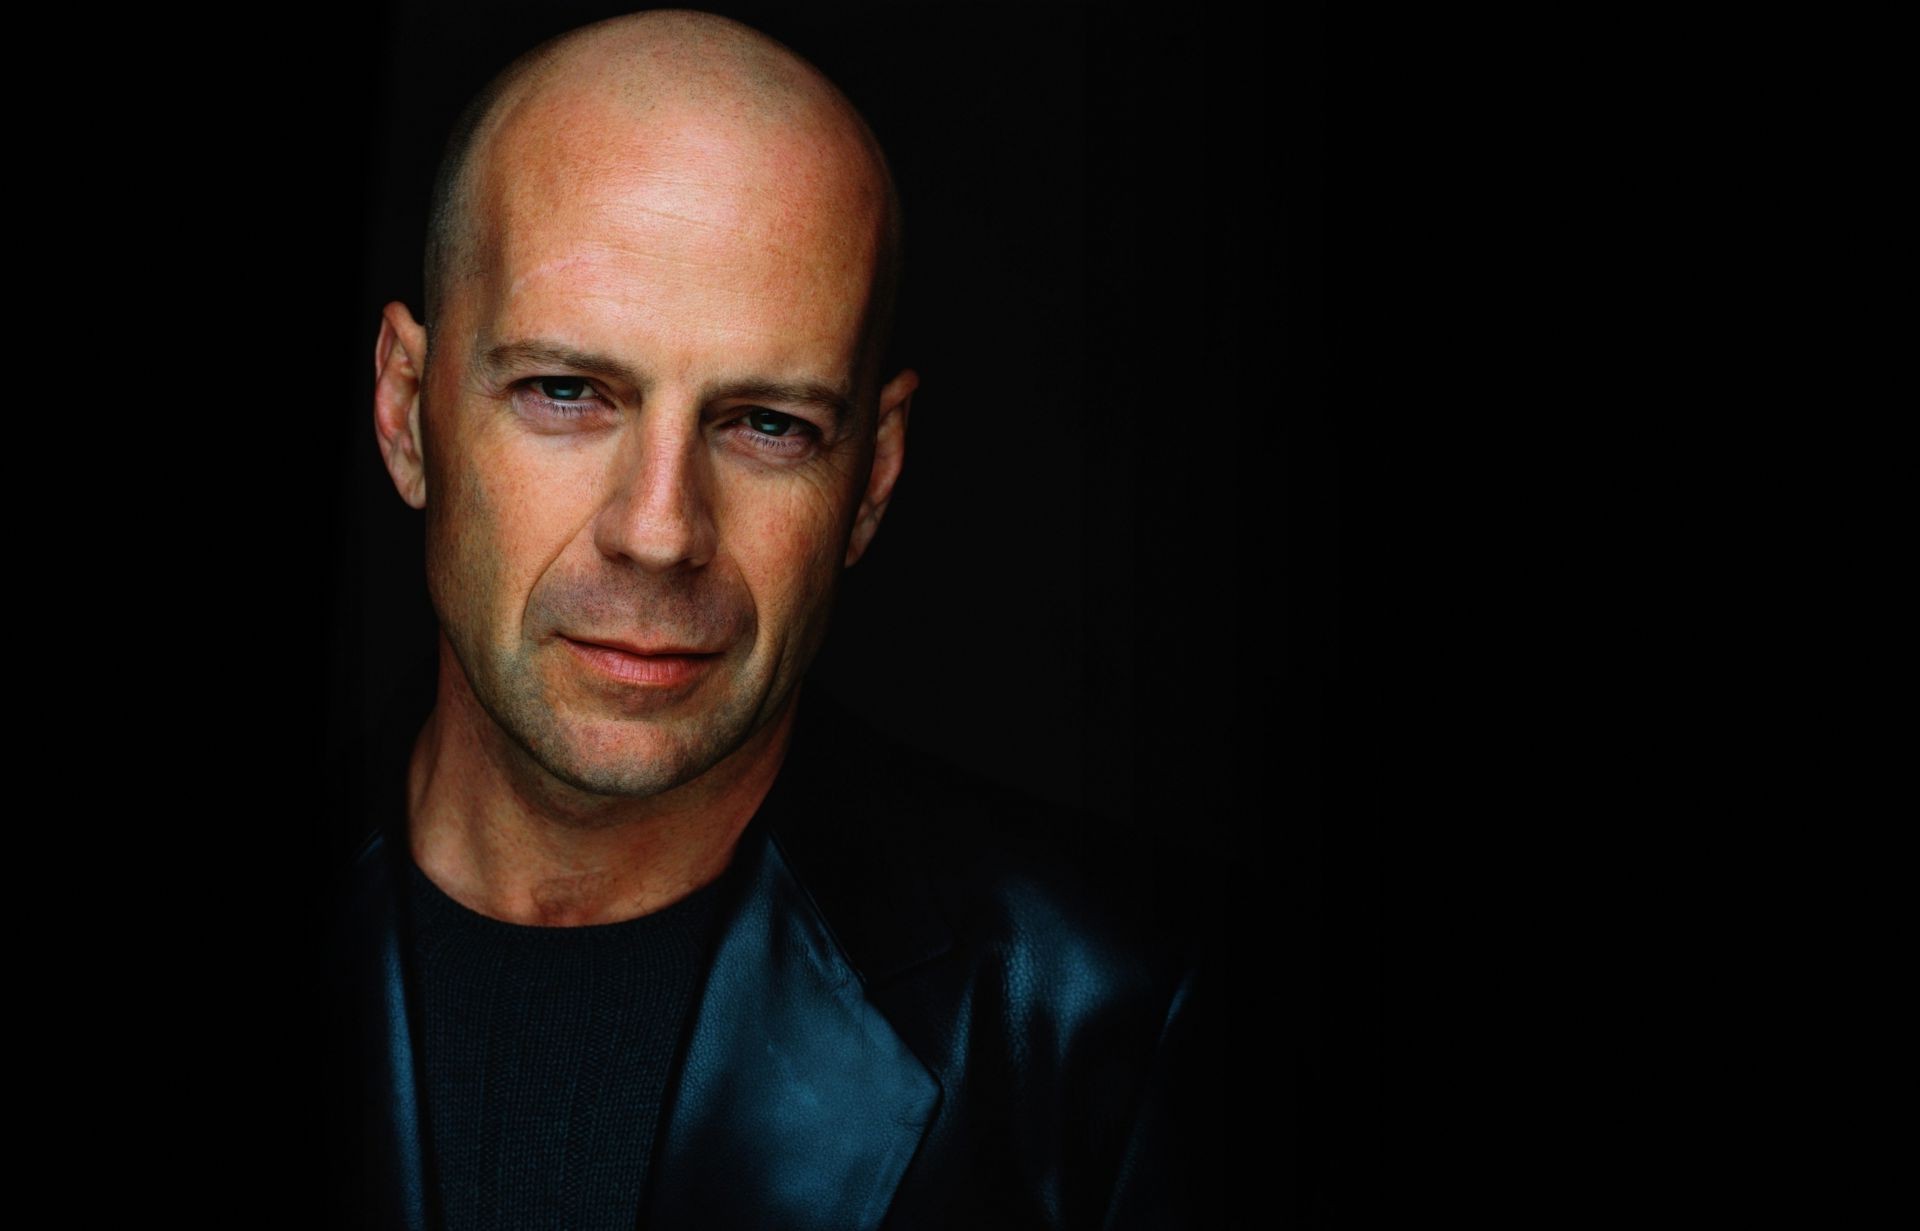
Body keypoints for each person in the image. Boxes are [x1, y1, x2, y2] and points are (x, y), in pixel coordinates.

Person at [332, 9, 1202, 1229]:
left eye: (766, 425)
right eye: (567, 392)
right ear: (405, 408)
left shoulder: (1109, 1018)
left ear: (873, 476)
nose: (658, 529)